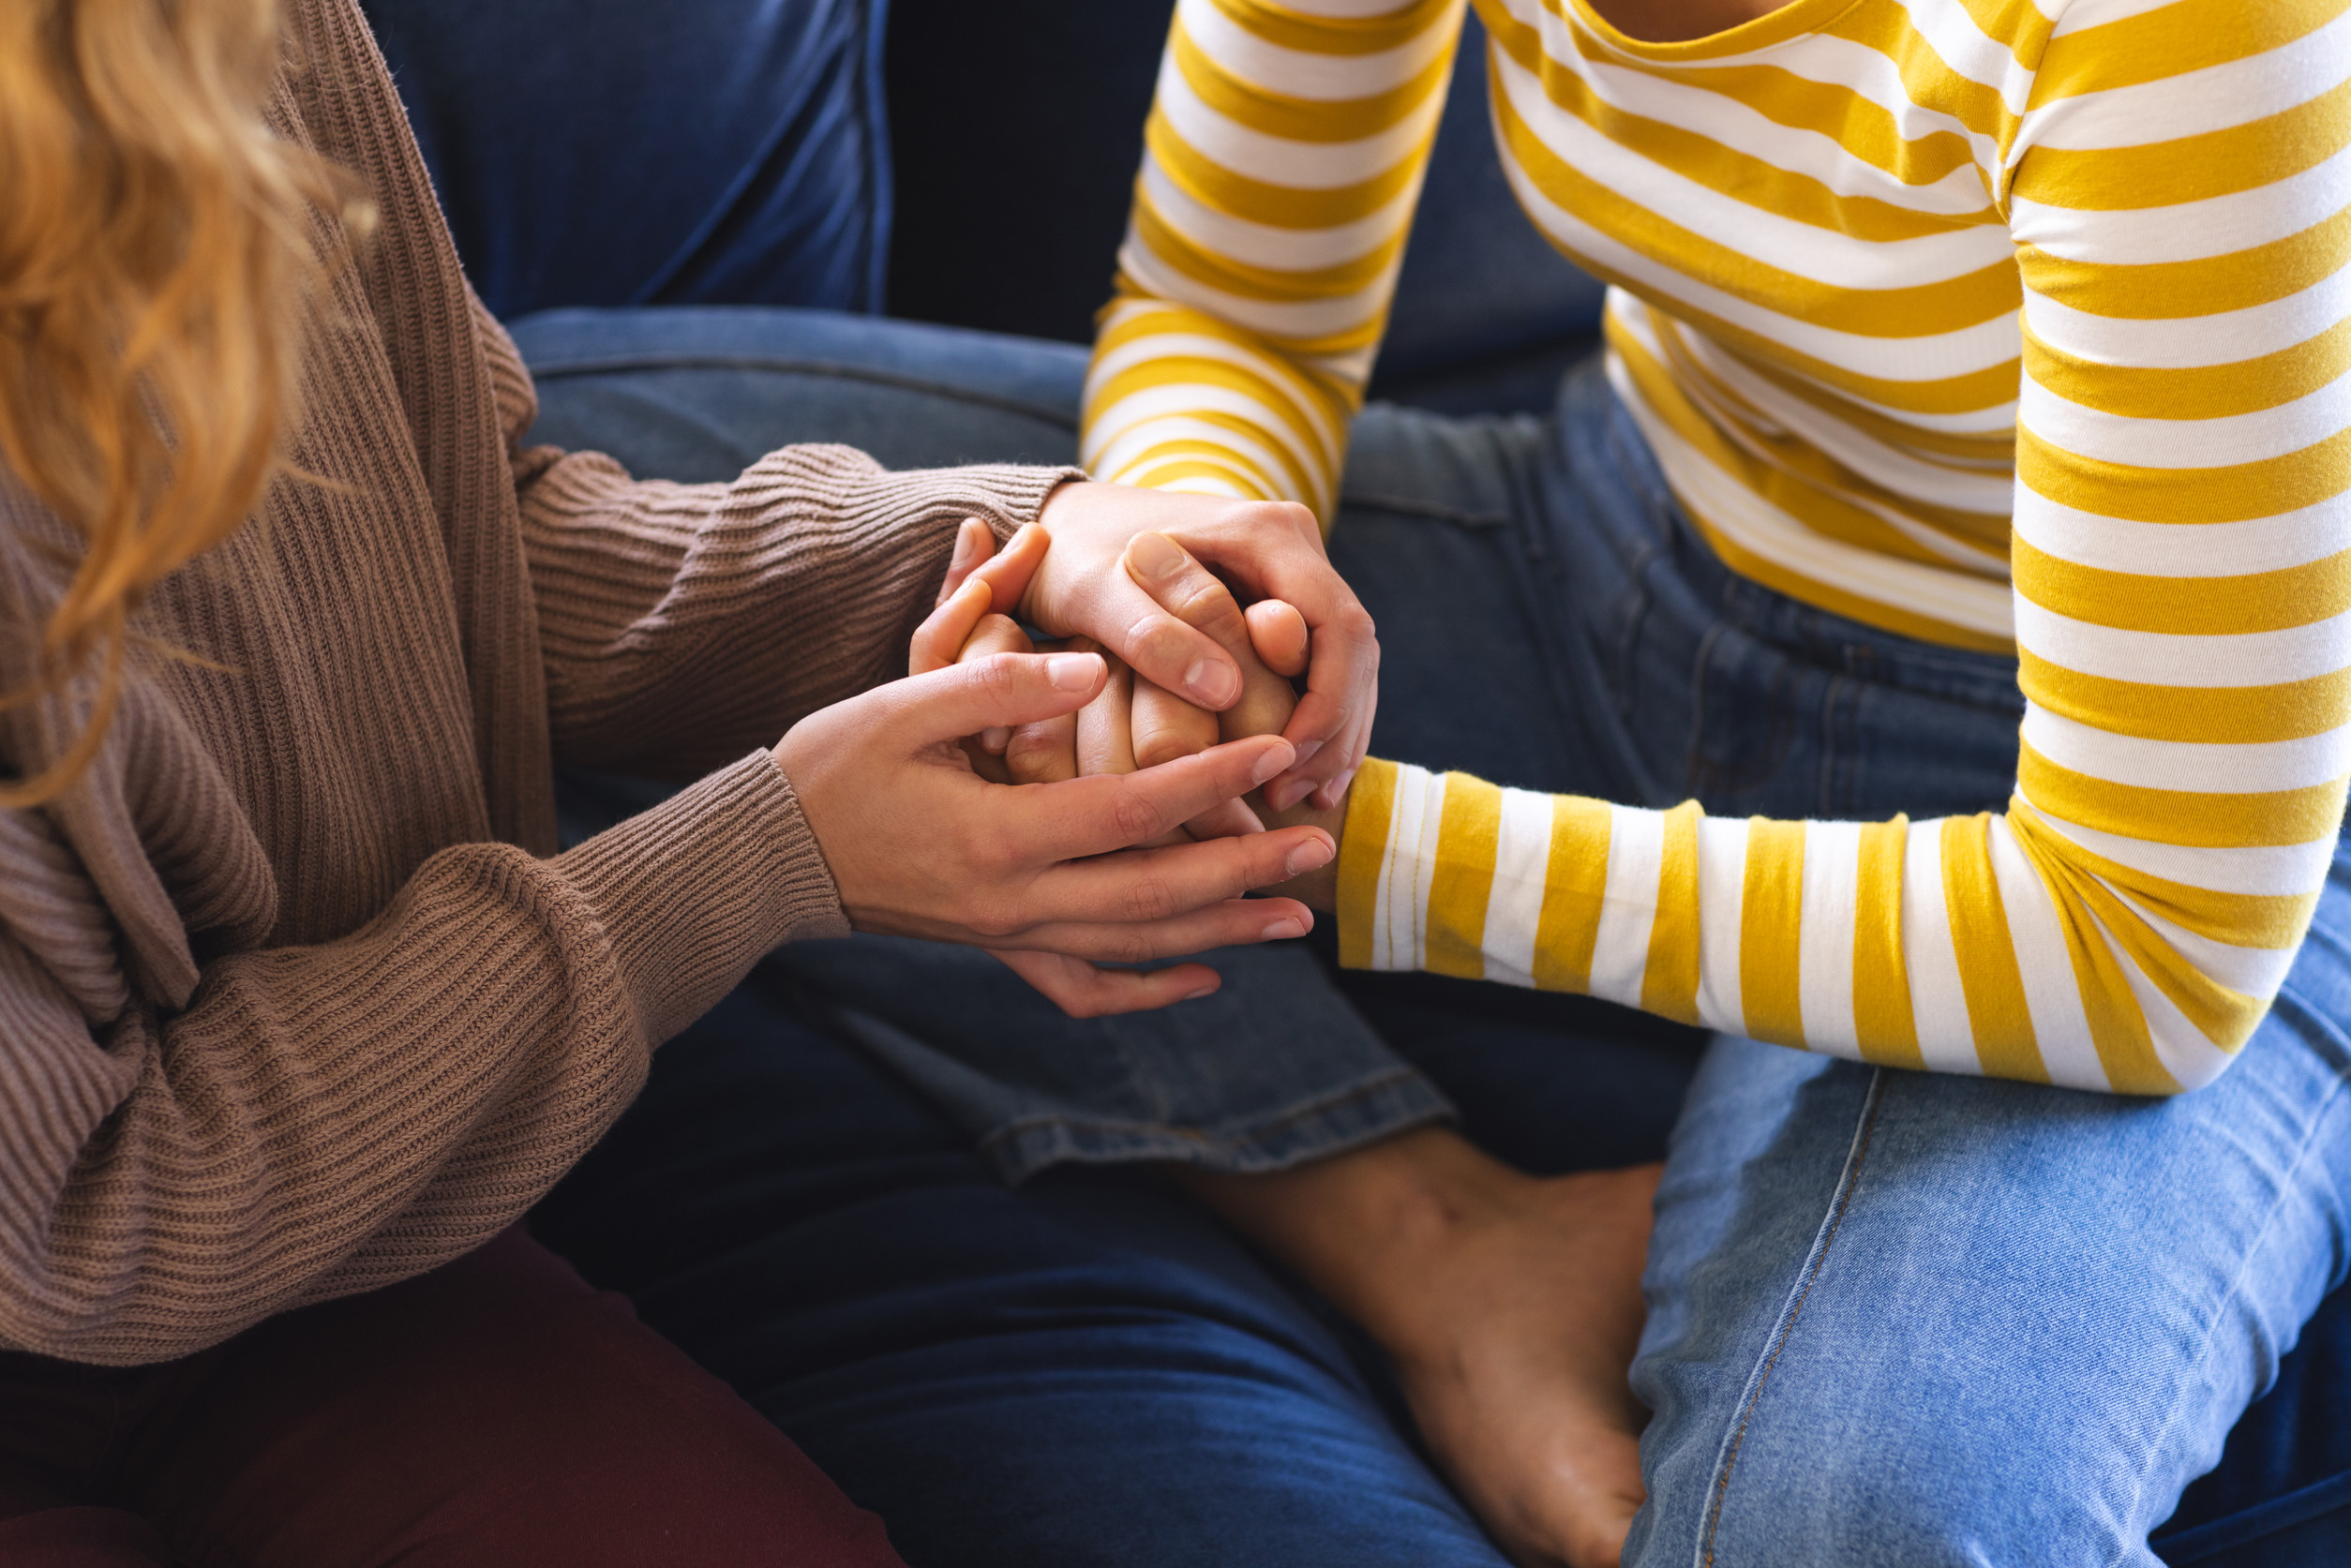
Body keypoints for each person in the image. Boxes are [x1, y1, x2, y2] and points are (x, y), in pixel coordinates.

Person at [693, 0, 2351, 1563]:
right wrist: (1184, 570)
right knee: (546, 540)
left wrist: (1335, 837)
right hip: (1614, 559)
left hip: (2145, 785)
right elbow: (1233, 301)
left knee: (1862, 1523)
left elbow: (2151, 941)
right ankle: (1435, 1237)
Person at [0, 0, 1384, 1560]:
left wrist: (1024, 548)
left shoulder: (247, 39)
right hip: (106, 1238)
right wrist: (766, 857)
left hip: (343, 1237)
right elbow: (88, 1212)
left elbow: (461, 548)